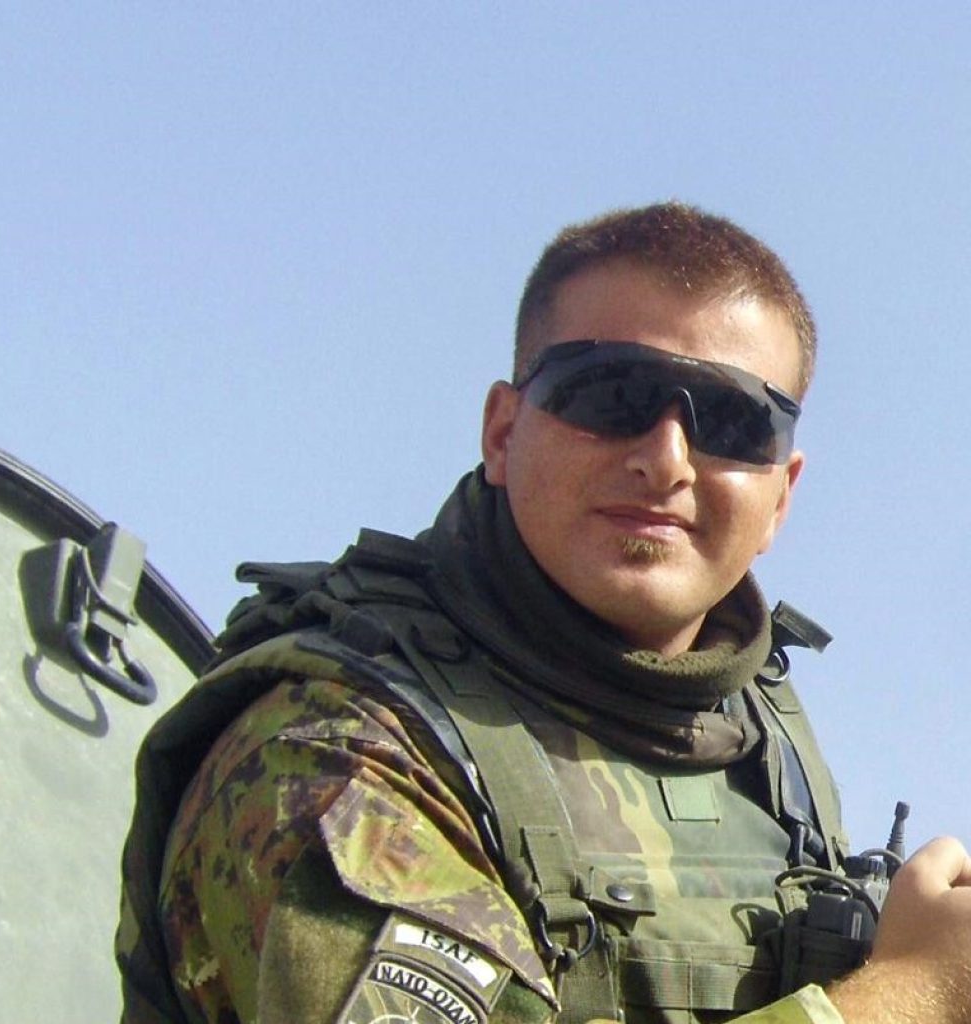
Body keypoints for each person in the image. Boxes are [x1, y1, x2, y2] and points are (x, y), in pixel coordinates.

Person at [116, 203, 971, 1024]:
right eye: (610, 395)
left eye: (735, 421)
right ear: (502, 431)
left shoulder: (764, 745)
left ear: (780, 496)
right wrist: (911, 996)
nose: (667, 460)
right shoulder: (334, 749)